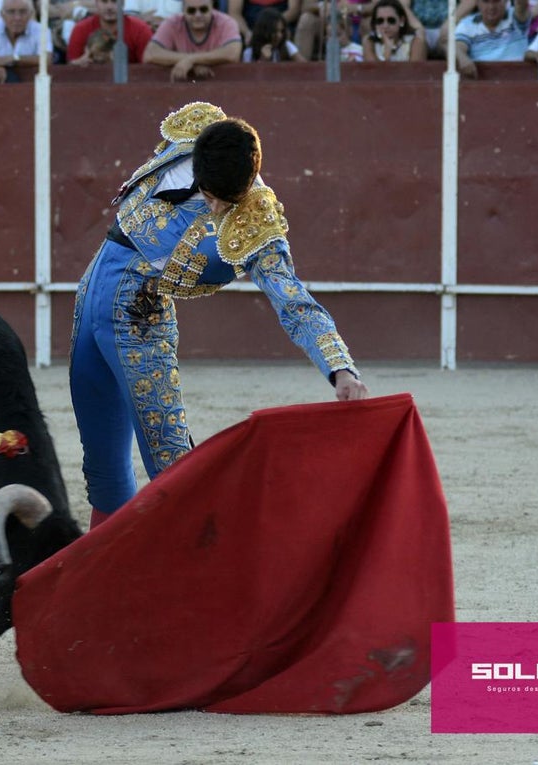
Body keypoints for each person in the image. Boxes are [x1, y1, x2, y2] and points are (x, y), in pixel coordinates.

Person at [70, 102, 368, 530]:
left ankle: (201, 582)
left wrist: (339, 368)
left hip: (138, 319)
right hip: (91, 292)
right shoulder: (196, 132)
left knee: (173, 466)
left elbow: (293, 299)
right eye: (207, 194)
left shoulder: (256, 223)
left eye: (219, 202)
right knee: (102, 464)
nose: (210, 207)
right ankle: (103, 583)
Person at [143, 0, 243, 81]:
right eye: (191, 10)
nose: (198, 15)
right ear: (183, 11)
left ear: (212, 8)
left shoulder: (226, 22)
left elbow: (233, 53)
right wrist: (192, 62)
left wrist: (191, 60)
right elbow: (150, 54)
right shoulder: (172, 22)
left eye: (203, 9)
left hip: (222, 85)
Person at [454, 0, 530, 77]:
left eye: (496, 1)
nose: (491, 7)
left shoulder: (515, 17)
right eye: (486, 1)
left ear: (506, 1)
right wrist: (462, 58)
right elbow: (457, 47)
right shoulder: (467, 24)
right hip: (482, 84)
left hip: (517, 79)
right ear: (477, 3)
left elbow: (522, 4)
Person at [67, 0, 153, 63]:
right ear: (96, 3)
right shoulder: (81, 29)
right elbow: (69, 70)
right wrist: (80, 63)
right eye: (104, 1)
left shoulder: (140, 30)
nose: (109, 7)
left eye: (114, 1)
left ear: (123, 3)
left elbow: (148, 70)